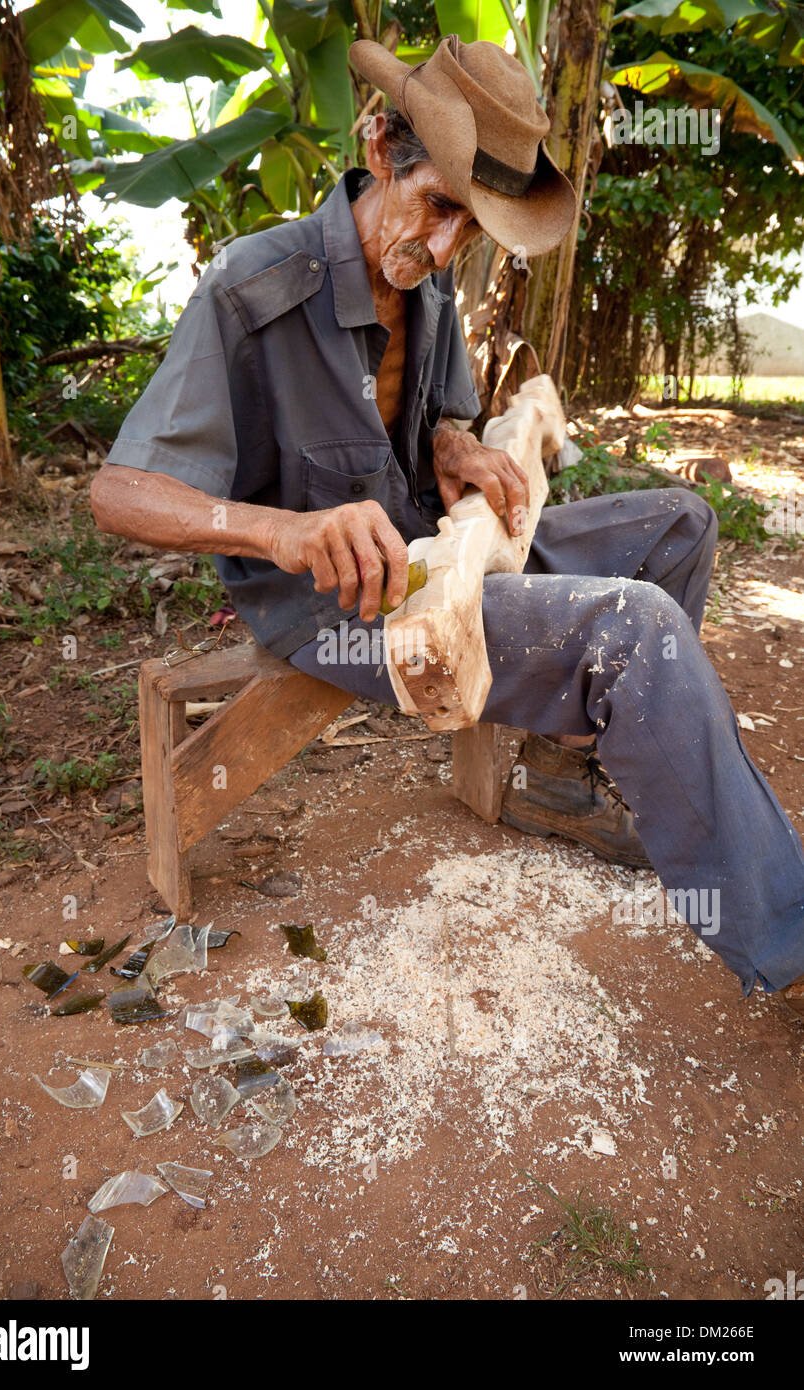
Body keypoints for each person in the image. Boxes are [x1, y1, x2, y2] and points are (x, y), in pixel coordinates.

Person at [90, 35, 804, 1012]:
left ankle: (559, 779)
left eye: (469, 231)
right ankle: (789, 941)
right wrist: (282, 534)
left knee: (678, 521)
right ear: (380, 146)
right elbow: (119, 492)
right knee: (634, 631)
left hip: (446, 552)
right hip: (335, 606)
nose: (442, 251)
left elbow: (435, 422)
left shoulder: (426, 289)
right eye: (437, 211)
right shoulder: (252, 288)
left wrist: (457, 448)